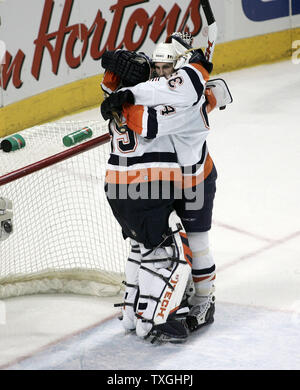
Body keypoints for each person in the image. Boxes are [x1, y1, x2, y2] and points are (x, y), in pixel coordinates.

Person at [100, 33, 232, 340]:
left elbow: (150, 121)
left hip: (195, 182)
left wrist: (121, 100)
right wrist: (120, 91)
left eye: (165, 67)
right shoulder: (170, 90)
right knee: (158, 247)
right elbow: (165, 90)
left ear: (180, 68)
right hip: (166, 184)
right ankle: (157, 302)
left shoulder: (183, 102)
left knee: (196, 245)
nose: (159, 73)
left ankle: (204, 300)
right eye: (156, 67)